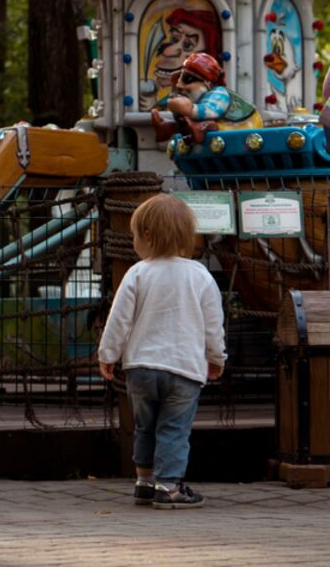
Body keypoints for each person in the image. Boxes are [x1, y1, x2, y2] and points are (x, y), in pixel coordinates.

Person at [98, 193, 227, 509]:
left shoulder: (138, 273)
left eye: (134, 236)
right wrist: (216, 357)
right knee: (173, 428)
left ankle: (144, 481)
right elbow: (214, 324)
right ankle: (168, 487)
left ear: (147, 237)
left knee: (145, 425)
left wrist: (108, 354)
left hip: (141, 367)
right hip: (184, 369)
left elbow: (119, 319)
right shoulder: (200, 276)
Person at [151, 51, 231, 143]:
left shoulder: (219, 93)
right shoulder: (194, 98)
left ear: (207, 83)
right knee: (184, 122)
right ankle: (167, 127)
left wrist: (190, 109)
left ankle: (197, 130)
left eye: (187, 79)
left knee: (209, 124)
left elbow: (211, 111)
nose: (179, 85)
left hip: (231, 129)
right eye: (179, 78)